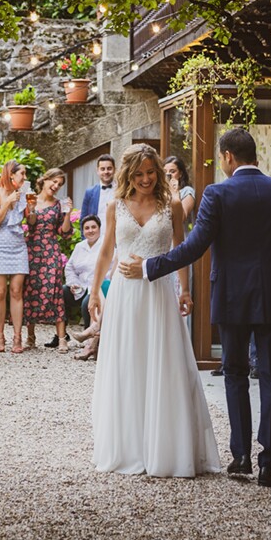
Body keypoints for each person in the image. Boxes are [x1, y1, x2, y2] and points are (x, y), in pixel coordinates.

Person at [119, 128, 271, 487]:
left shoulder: (218, 193)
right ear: (253, 155)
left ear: (227, 157)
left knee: (236, 374)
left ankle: (240, 455)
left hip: (232, 298)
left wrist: (149, 267)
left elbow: (194, 247)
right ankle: (269, 462)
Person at [88, 144, 220, 478]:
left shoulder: (172, 204)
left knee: (164, 364)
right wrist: (94, 292)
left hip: (159, 293)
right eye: (139, 173)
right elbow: (106, 252)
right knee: (128, 364)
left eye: (151, 172)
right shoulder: (115, 207)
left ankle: (167, 447)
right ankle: (130, 446)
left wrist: (185, 289)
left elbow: (181, 250)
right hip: (124, 294)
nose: (146, 179)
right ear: (128, 175)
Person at [25, 168, 74, 352]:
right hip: (32, 250)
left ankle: (62, 338)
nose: (55, 186)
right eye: (54, 182)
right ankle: (30, 336)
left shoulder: (59, 204)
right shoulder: (31, 199)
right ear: (45, 180)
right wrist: (30, 210)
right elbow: (30, 224)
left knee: (55, 292)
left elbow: (65, 232)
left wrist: (68, 213)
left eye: (59, 184)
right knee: (31, 290)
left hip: (51, 251)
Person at [0, 161, 31, 352]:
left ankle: (18, 337)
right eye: (22, 173)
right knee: (0, 292)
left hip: (18, 245)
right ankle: (0, 336)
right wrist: (7, 202)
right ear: (11, 175)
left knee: (16, 290)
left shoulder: (23, 195)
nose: (25, 177)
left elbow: (30, 221)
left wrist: (31, 207)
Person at [65, 214, 103, 353]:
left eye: (94, 227)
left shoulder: (105, 245)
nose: (90, 230)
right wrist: (73, 283)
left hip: (98, 289)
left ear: (99, 229)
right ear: (83, 231)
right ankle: (62, 336)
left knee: (87, 302)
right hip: (80, 287)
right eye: (87, 228)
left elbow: (111, 270)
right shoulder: (79, 247)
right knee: (61, 292)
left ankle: (89, 338)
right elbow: (69, 268)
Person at [79, 154, 116, 228]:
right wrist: (87, 239)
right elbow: (83, 219)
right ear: (97, 171)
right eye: (102, 169)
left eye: (109, 168)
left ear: (114, 169)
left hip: (117, 237)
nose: (106, 172)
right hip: (96, 238)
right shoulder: (89, 192)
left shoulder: (122, 190)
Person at [163, 156, 196, 225]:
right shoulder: (159, 192)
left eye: (172, 172)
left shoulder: (187, 191)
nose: (168, 175)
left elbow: (182, 218)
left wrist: (175, 193)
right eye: (165, 172)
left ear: (180, 174)